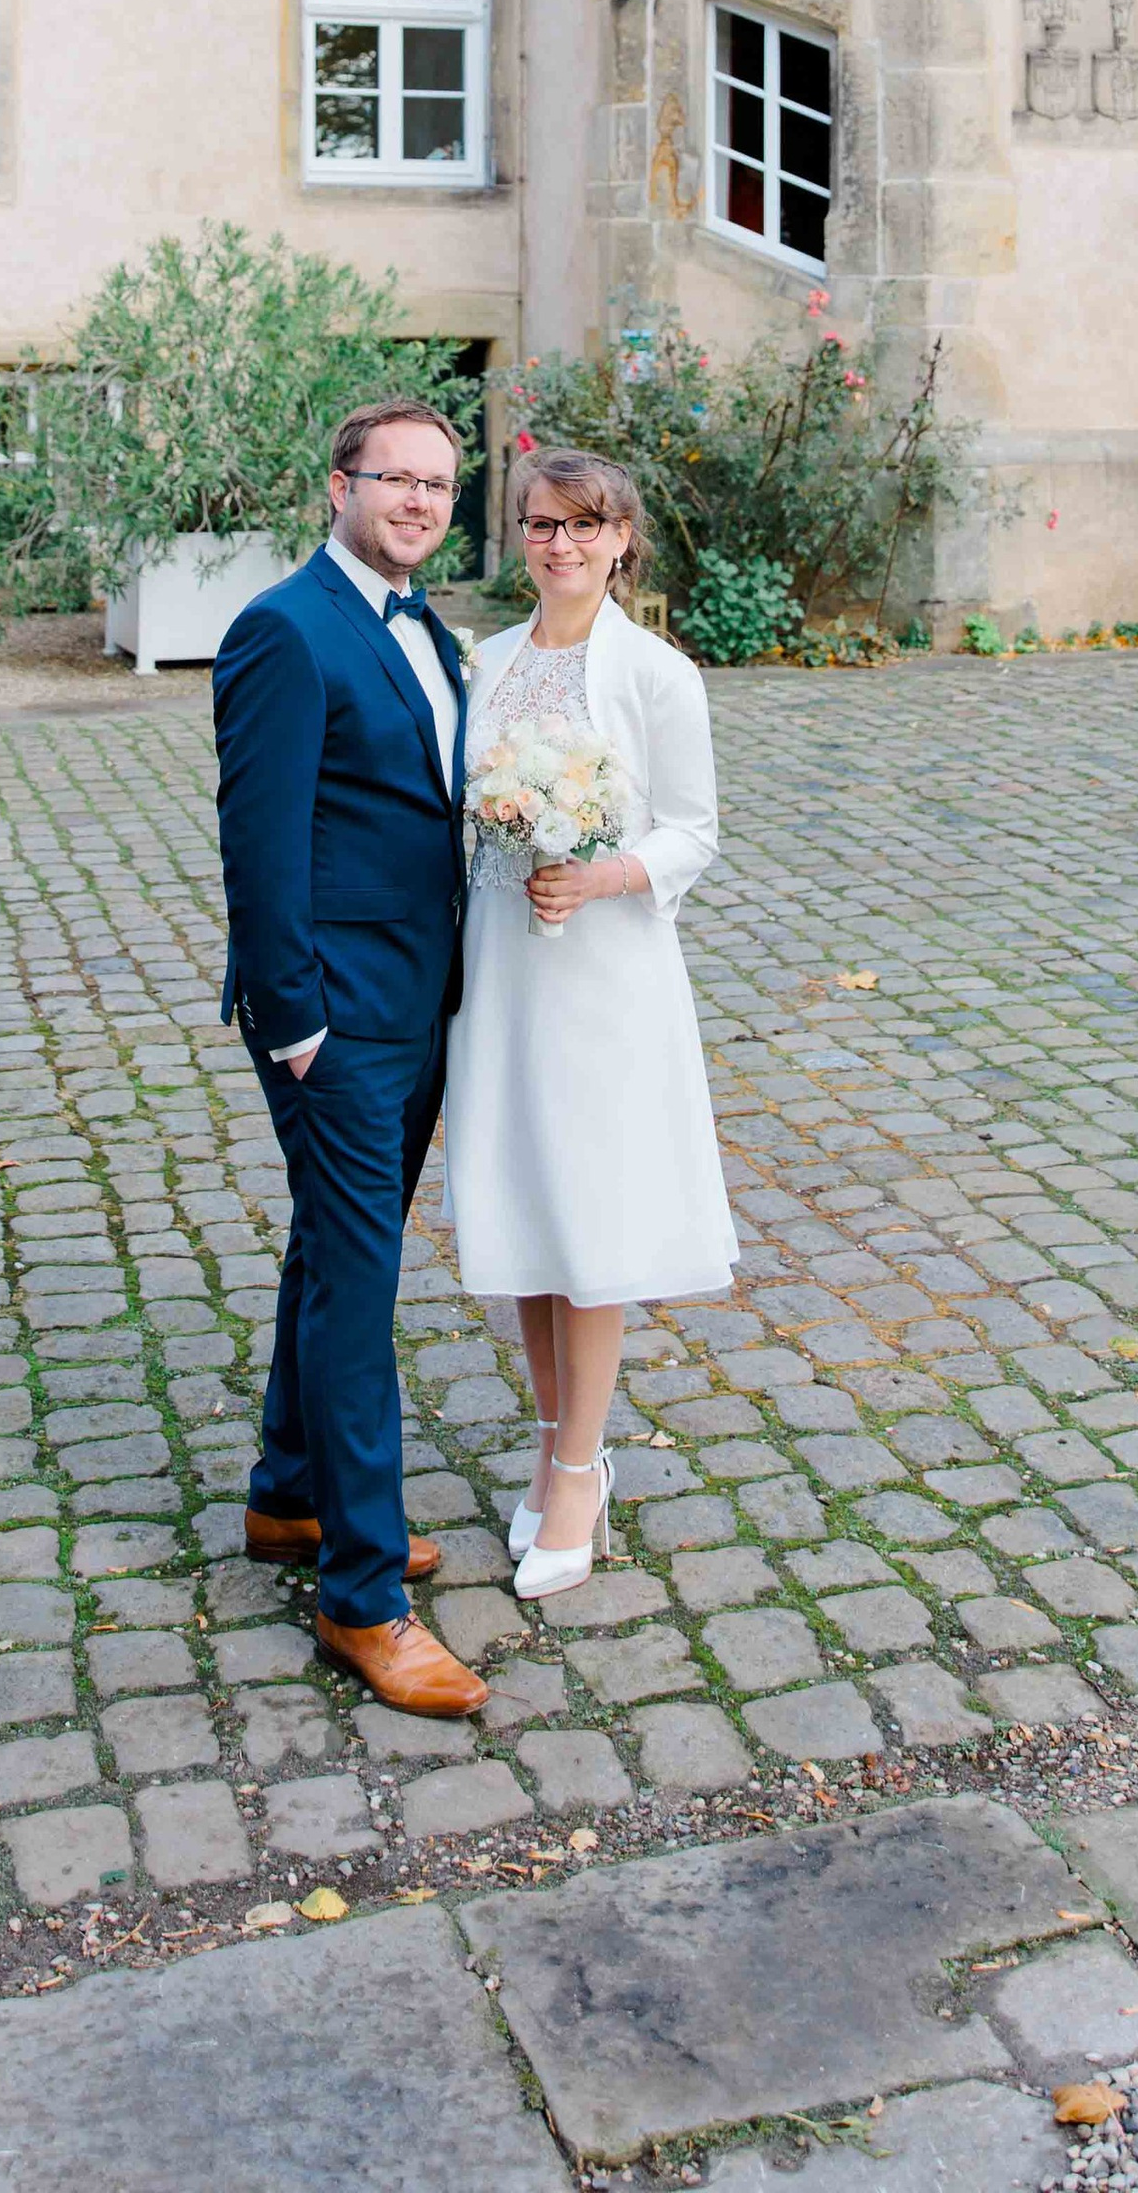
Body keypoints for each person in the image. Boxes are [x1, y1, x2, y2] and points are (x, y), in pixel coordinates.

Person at [210, 395, 488, 1716]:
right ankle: (365, 1597)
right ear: (339, 486)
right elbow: (257, 853)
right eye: (398, 480)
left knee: (332, 1248)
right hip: (336, 1024)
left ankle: (288, 1500)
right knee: (359, 1289)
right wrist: (299, 1026)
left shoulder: (427, 627)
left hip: (415, 999)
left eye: (440, 484)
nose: (423, 503)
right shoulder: (284, 631)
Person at [444, 447, 735, 1600]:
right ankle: (559, 1438)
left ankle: (575, 1470)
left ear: (622, 540)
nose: (558, 545)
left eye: (582, 526)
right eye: (538, 526)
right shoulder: (484, 661)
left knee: (592, 1209)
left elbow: (695, 830)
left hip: (604, 971)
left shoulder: (657, 676)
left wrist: (602, 875)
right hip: (503, 965)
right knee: (522, 1197)